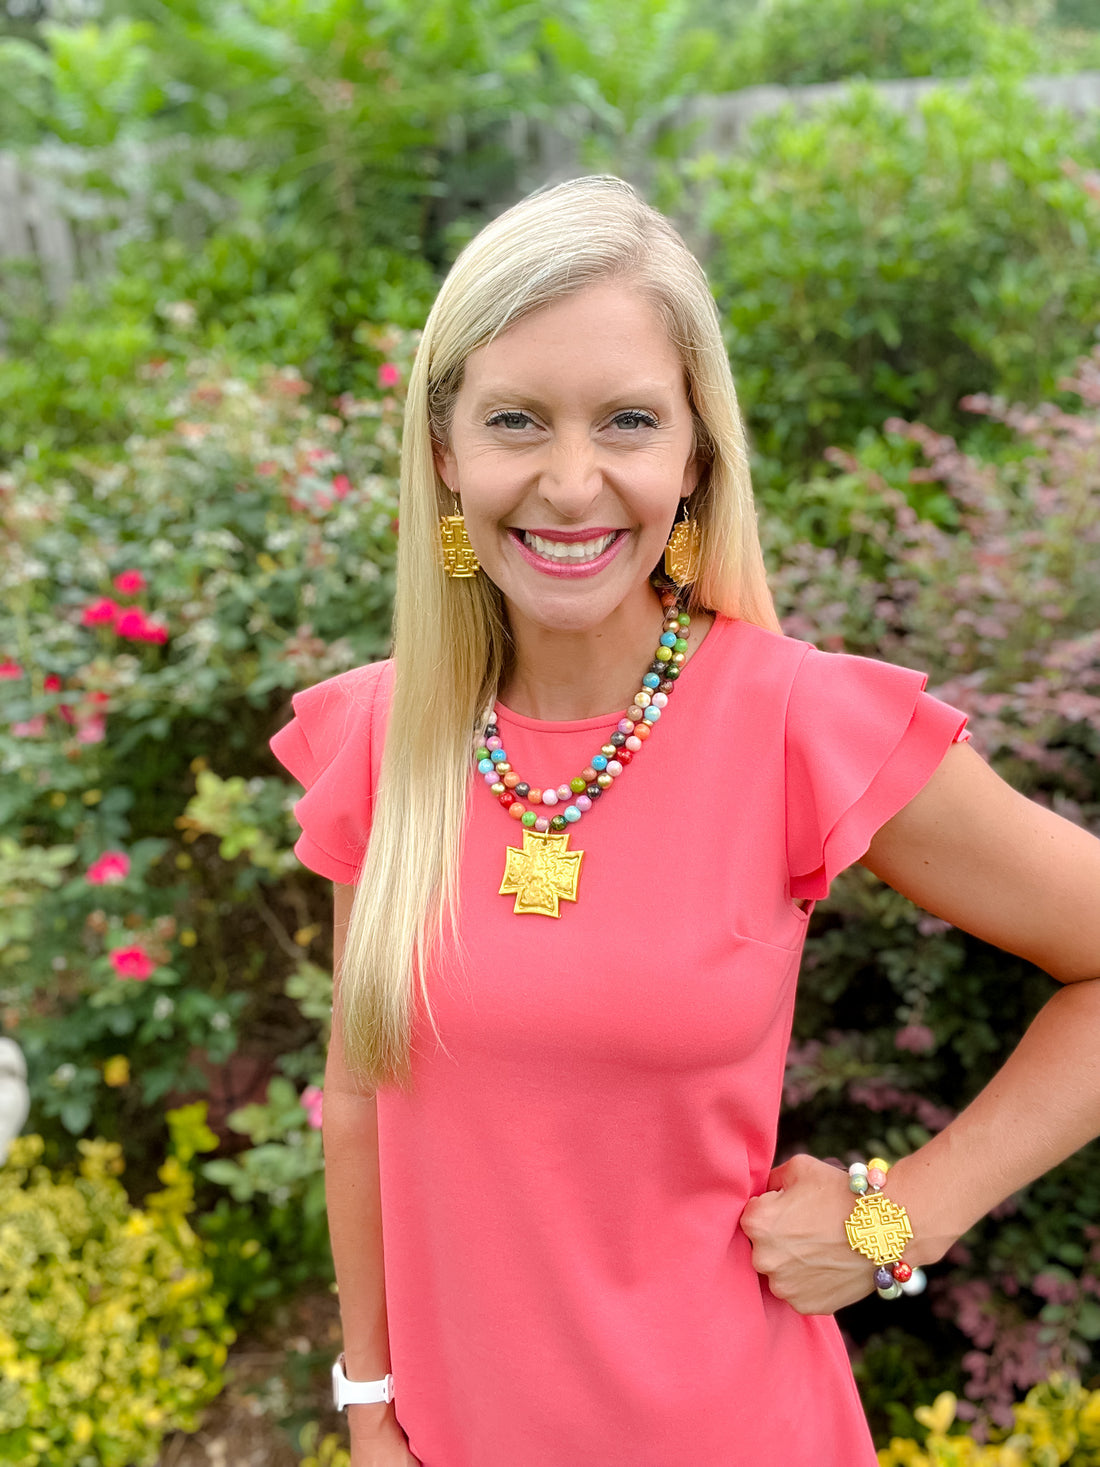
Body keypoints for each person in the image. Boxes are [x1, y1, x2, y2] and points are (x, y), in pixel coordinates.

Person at [269, 175, 1100, 1467]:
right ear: (443, 452)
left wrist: (903, 1217)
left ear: (695, 456)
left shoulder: (799, 725)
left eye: (629, 421)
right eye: (515, 420)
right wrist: (367, 1401)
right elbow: (363, 1092)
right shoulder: (382, 741)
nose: (571, 482)